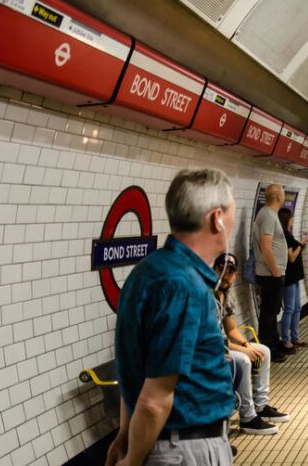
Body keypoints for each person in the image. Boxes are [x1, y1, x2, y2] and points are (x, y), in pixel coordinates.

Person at [109, 169, 236, 466]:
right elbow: (155, 399)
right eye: (231, 212)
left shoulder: (149, 270)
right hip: (184, 450)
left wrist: (125, 437)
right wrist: (133, 460)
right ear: (217, 218)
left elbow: (139, 368)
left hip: (164, 444)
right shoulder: (182, 287)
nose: (232, 221)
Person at [212, 253, 289, 435]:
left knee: (263, 350)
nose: (224, 276)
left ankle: (260, 405)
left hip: (222, 345)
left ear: (235, 275)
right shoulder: (207, 296)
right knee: (243, 361)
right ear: (213, 270)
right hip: (210, 350)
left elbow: (231, 330)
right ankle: (247, 417)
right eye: (220, 270)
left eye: (229, 272)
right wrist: (241, 350)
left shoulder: (226, 294)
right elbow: (211, 338)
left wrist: (247, 345)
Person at [252, 184, 288, 357]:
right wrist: (275, 271)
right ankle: (268, 348)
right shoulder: (267, 215)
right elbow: (266, 246)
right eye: (283, 194)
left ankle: (274, 342)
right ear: (278, 197)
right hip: (270, 273)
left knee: (273, 310)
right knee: (268, 311)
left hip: (273, 272)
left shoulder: (270, 214)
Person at [277, 208, 308, 352]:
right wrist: (301, 244)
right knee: (289, 308)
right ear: (286, 220)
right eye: (291, 218)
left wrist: (301, 245)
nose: (293, 220)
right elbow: (291, 257)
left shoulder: (288, 234)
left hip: (295, 276)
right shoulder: (284, 236)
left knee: (297, 307)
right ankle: (286, 340)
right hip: (289, 276)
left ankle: (295, 337)